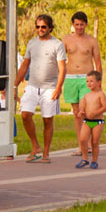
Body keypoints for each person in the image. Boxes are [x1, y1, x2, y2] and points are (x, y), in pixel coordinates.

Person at [16, 14, 67, 163]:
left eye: (43, 27)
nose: (40, 29)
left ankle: (45, 153)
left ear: (50, 27)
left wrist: (58, 88)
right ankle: (35, 146)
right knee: (25, 115)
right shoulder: (32, 43)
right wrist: (15, 85)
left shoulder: (57, 44)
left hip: (50, 87)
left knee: (47, 120)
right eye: (38, 27)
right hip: (32, 86)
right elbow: (25, 65)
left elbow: (62, 68)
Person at [62, 11, 102, 140]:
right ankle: (81, 144)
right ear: (73, 25)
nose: (79, 27)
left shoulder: (92, 41)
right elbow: (60, 61)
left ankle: (89, 141)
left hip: (87, 78)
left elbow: (98, 62)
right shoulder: (66, 40)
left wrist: (98, 82)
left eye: (82, 24)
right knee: (76, 113)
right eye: (77, 24)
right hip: (71, 78)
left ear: (86, 24)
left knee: (86, 111)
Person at [75, 70, 106, 169]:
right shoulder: (86, 96)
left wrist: (95, 113)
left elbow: (105, 107)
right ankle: (84, 158)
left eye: (91, 81)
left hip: (97, 122)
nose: (89, 83)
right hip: (87, 121)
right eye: (87, 81)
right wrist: (81, 112)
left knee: (94, 142)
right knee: (83, 139)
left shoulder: (100, 94)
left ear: (99, 82)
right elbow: (82, 108)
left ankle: (94, 160)